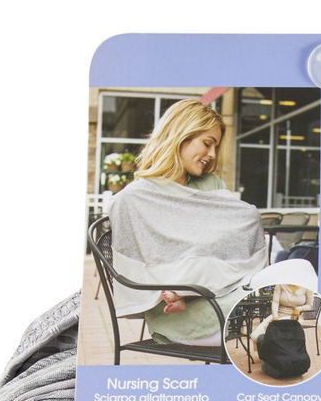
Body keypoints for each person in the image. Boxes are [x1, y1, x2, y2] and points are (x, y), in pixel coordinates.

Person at [108, 99, 267, 348]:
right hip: (182, 319)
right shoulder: (135, 199)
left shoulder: (210, 186)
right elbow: (137, 273)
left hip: (230, 296)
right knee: (287, 288)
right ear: (181, 137)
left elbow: (243, 226)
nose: (212, 155)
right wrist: (183, 285)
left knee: (295, 275)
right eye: (207, 143)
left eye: (215, 147)